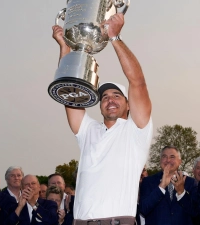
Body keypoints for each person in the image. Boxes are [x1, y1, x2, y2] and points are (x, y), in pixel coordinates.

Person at [52, 12, 153, 224]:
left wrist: (115, 38)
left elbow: (138, 82)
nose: (110, 100)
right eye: (105, 97)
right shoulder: (88, 131)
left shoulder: (137, 131)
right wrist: (65, 47)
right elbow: (69, 90)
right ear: (99, 105)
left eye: (117, 96)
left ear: (128, 104)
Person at [139, 146, 198, 224]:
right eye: (164, 156)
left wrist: (181, 192)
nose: (168, 160)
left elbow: (196, 213)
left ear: (180, 161)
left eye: (172, 157)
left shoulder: (191, 182)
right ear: (160, 160)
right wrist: (161, 187)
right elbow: (143, 210)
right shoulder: (148, 182)